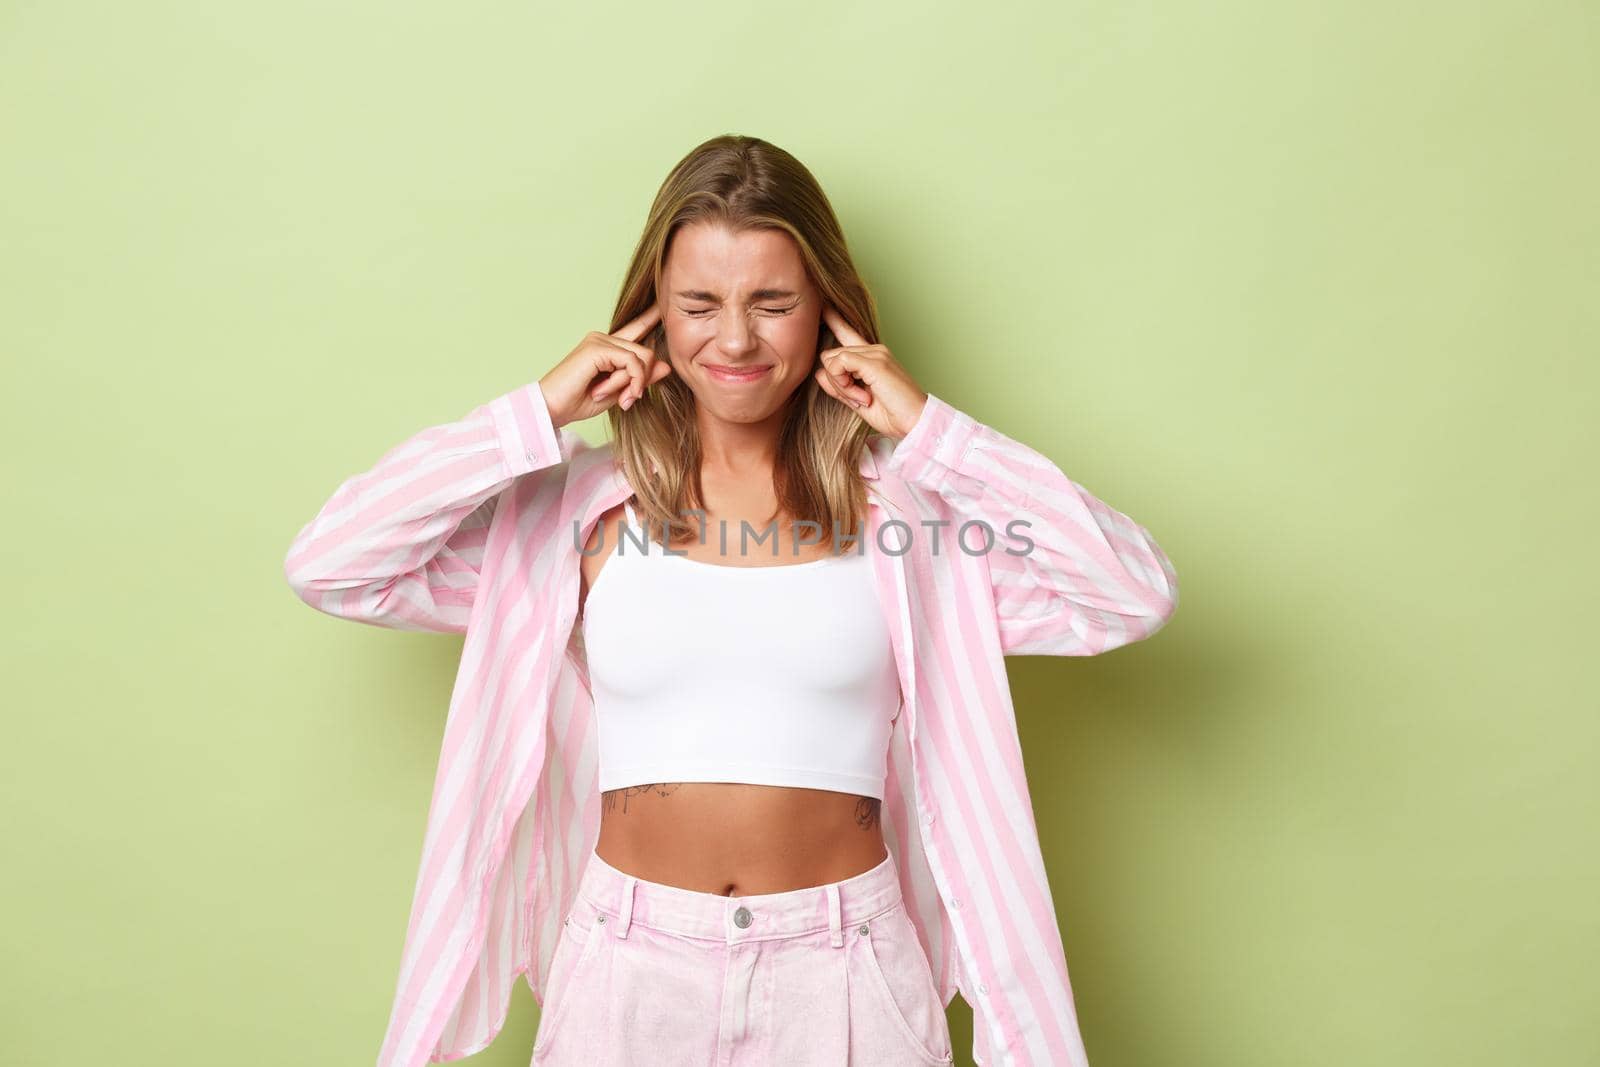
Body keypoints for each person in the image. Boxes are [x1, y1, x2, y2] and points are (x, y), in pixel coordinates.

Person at [284, 134, 1179, 1067]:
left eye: (774, 303)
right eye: (699, 305)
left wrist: (930, 431)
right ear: (650, 321)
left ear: (830, 313)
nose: (738, 339)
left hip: (847, 972)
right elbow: (335, 563)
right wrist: (537, 412)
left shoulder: (914, 528)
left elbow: (1128, 592)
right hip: (628, 969)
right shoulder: (574, 521)